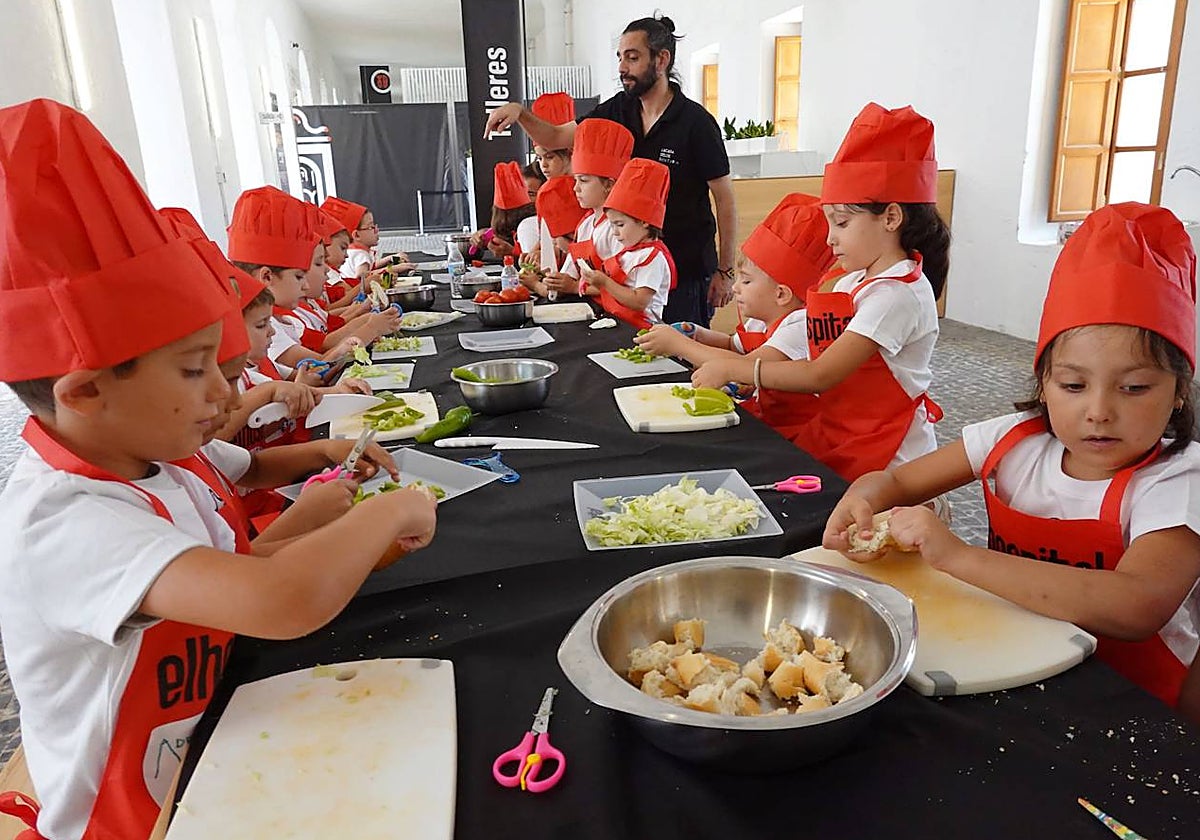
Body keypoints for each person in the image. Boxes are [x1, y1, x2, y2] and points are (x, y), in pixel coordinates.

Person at [0, 99, 438, 840]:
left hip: (212, 748)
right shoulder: (67, 520)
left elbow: (244, 565)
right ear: (84, 394)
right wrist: (386, 511)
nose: (223, 396)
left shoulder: (154, 459)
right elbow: (278, 596)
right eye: (198, 369)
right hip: (130, 821)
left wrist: (326, 508)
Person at [824, 201, 1200, 709]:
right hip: (1011, 659)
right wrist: (863, 500)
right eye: (1073, 384)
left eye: (1134, 388)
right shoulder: (1013, 440)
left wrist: (957, 556)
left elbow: (1136, 606)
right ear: (1042, 383)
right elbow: (893, 484)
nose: (1099, 411)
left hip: (1128, 696)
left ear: (1179, 392)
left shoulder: (1177, 480)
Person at [691, 103, 950, 482]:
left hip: (890, 457)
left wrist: (739, 367)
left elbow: (820, 374)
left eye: (842, 223)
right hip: (843, 433)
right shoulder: (851, 283)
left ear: (891, 218)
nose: (831, 239)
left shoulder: (898, 295)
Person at [485, 14, 737, 327]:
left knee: (682, 363)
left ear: (662, 60)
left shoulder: (696, 123)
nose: (622, 68)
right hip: (627, 271)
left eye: (632, 58)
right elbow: (556, 137)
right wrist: (520, 113)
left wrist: (725, 272)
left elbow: (725, 199)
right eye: (620, 58)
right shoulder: (618, 109)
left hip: (683, 270)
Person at [637, 193, 836, 441]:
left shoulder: (799, 326)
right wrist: (696, 333)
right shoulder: (759, 319)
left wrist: (679, 345)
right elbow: (733, 346)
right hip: (761, 418)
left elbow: (745, 365)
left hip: (792, 435)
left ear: (781, 294)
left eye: (747, 281)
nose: (735, 288)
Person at [541, 118, 633, 300]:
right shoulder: (585, 224)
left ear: (609, 185)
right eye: (576, 180)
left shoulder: (620, 229)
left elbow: (628, 288)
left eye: (583, 181)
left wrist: (575, 287)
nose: (576, 188)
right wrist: (554, 280)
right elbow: (571, 273)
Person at [579, 158, 675, 328]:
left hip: (643, 330)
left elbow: (639, 302)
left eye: (620, 225)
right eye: (612, 224)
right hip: (621, 324)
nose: (615, 232)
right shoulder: (629, 252)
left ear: (644, 221)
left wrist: (605, 283)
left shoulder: (652, 258)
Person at [519, 175, 589, 297]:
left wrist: (535, 284)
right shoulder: (583, 233)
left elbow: (556, 291)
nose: (554, 243)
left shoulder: (582, 241)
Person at [530, 92, 576, 272]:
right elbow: (548, 237)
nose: (544, 165)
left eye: (549, 157)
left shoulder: (584, 191)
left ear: (570, 153)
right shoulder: (548, 190)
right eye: (539, 158)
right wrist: (535, 251)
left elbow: (571, 242)